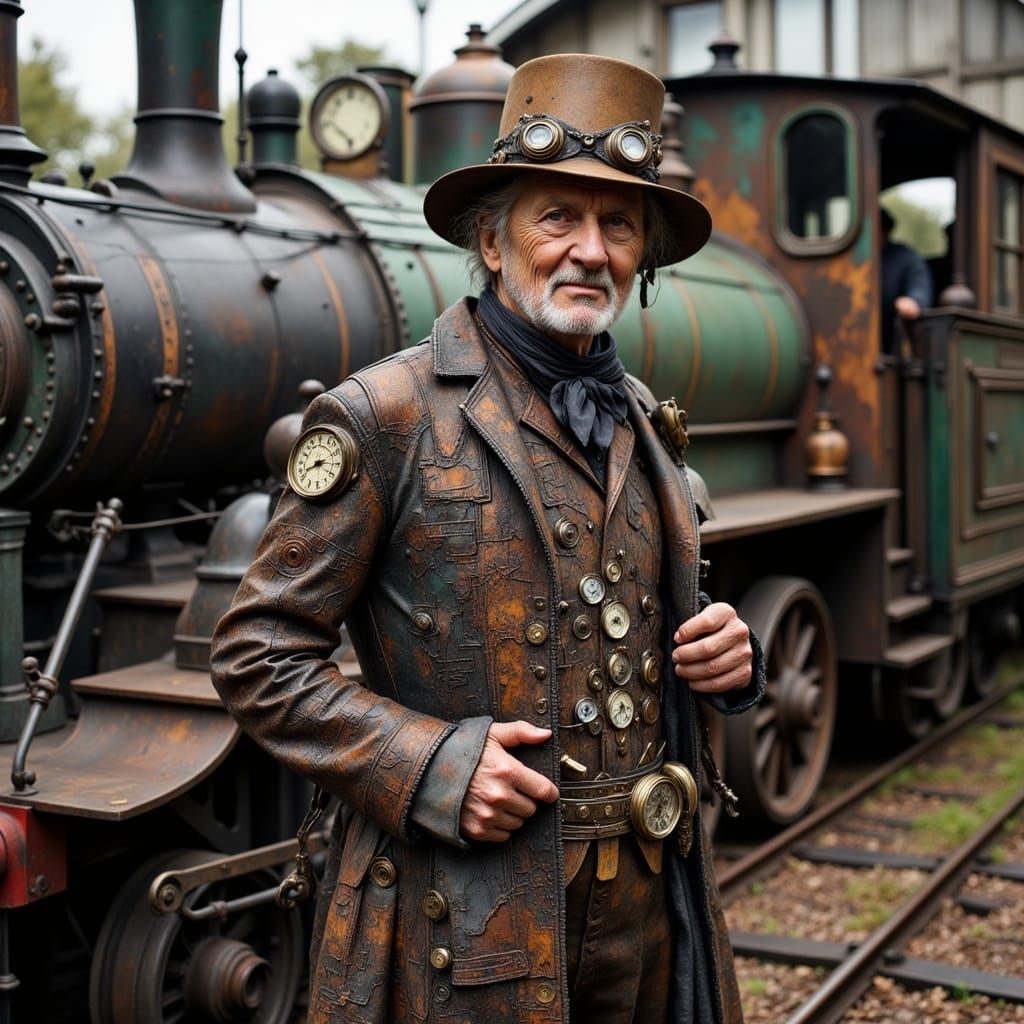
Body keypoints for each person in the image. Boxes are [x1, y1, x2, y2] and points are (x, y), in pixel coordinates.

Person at [211, 52, 765, 1024]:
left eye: (618, 222)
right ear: (492, 240)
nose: (590, 250)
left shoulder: (639, 415)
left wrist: (725, 657)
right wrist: (425, 762)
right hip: (457, 922)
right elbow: (258, 655)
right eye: (558, 217)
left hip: (646, 909)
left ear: (640, 259)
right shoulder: (384, 416)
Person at [881, 207, 933, 353]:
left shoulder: (905, 258)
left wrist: (913, 301)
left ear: (885, 230)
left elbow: (920, 287)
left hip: (890, 346)